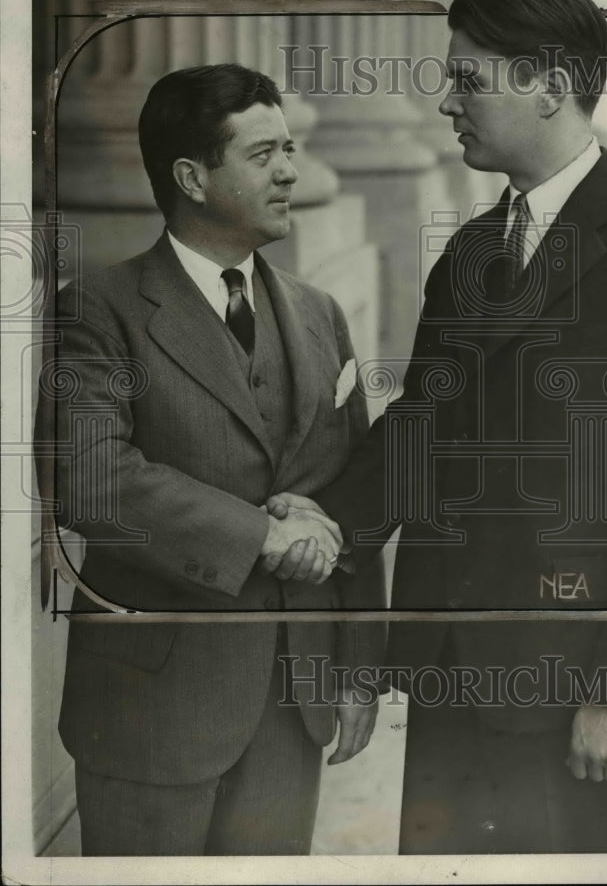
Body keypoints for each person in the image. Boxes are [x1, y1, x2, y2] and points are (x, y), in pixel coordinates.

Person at [270, 0, 607, 853]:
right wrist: (325, 516)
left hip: (571, 690)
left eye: (469, 80)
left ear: (550, 87)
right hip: (451, 669)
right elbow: (425, 426)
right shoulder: (476, 248)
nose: (447, 102)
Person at [37, 64, 385, 856]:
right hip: (153, 709)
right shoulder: (97, 308)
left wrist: (359, 667)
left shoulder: (318, 311)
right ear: (192, 177)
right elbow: (87, 477)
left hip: (295, 703)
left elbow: (355, 489)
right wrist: (258, 535)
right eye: (264, 154)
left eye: (291, 148)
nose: (292, 170)